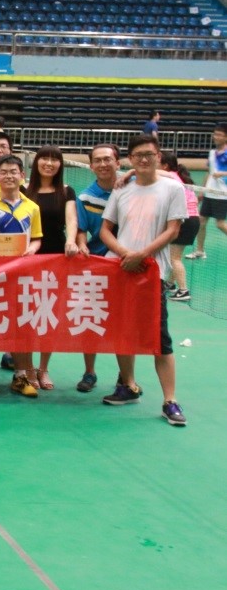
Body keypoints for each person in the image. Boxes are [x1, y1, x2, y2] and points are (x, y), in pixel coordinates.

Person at [99, 135, 186, 426]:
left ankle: (170, 400)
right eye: (138, 155)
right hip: (121, 269)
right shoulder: (121, 189)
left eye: (149, 154)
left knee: (160, 338)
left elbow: (173, 230)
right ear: (130, 160)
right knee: (123, 332)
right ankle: (128, 385)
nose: (144, 159)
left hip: (152, 273)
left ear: (158, 156)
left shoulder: (173, 188)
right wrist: (126, 254)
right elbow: (106, 229)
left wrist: (143, 255)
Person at [0, 154, 43, 398]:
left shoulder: (32, 207)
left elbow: (37, 238)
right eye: (4, 172)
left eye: (14, 171)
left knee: (20, 327)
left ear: (22, 175)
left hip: (21, 276)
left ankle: (20, 376)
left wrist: (31, 250)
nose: (9, 176)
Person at [27, 146, 81, 388]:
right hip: (29, 258)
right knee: (28, 314)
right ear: (36, 162)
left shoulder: (66, 191)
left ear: (60, 164)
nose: (49, 163)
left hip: (56, 258)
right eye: (44, 158)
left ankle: (43, 369)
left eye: (54, 159)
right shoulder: (24, 190)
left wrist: (71, 241)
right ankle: (28, 369)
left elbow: (72, 219)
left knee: (48, 314)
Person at [73, 143, 121, 393]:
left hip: (129, 265)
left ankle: (126, 376)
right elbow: (81, 229)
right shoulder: (86, 197)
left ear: (118, 163)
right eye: (98, 161)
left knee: (124, 322)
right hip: (98, 266)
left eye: (108, 159)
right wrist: (82, 245)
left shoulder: (131, 189)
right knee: (91, 319)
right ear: (91, 166)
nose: (103, 164)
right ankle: (89, 372)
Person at [159, 152, 198, 303]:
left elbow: (153, 173)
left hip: (185, 220)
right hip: (192, 219)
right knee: (175, 255)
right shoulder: (181, 177)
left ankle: (183, 290)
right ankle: (170, 283)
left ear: (165, 166)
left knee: (174, 258)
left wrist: (131, 171)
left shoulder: (171, 176)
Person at [189, 122, 227, 260]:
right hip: (209, 192)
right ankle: (200, 250)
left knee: (220, 224)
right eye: (215, 134)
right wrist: (202, 191)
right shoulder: (212, 153)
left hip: (222, 194)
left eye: (219, 135)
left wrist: (223, 174)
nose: (215, 137)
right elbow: (208, 172)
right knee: (201, 221)